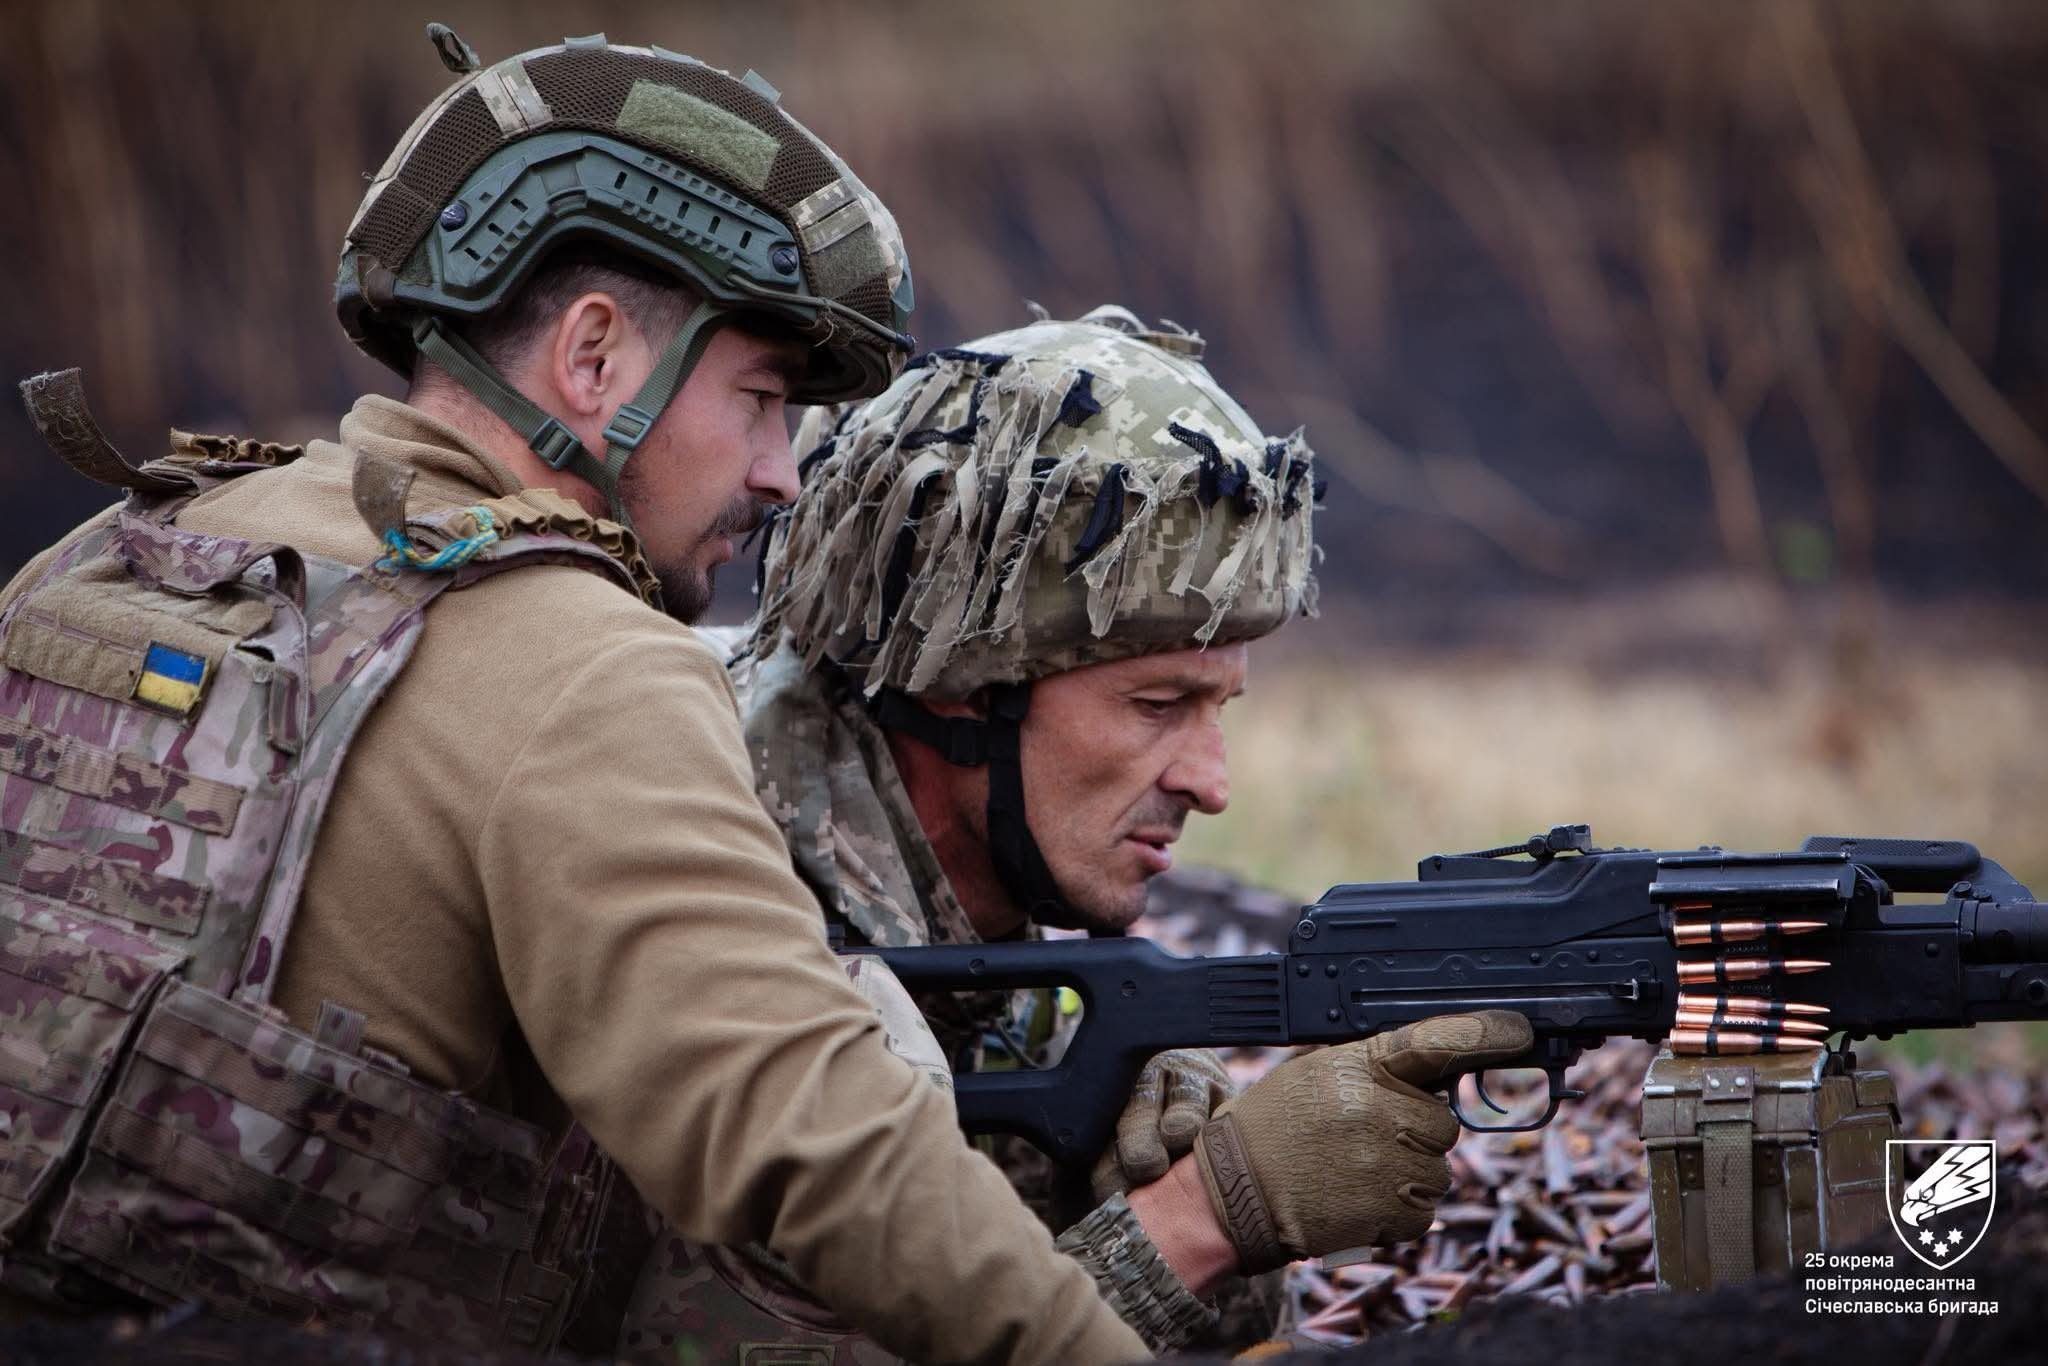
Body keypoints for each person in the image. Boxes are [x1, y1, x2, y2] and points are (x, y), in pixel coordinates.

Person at [0, 29, 1527, 1365]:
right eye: (761, 400)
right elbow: (825, 1155)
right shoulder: (582, 666)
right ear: (593, 356)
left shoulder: (129, 546)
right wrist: (1188, 1238)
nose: (783, 472)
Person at [614, 305, 1533, 1359]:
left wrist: (1143, 1169)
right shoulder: (713, 889)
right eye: (1156, 705)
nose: (1211, 784)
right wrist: (1199, 1220)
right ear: (963, 682)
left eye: (1217, 708)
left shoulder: (969, 907)